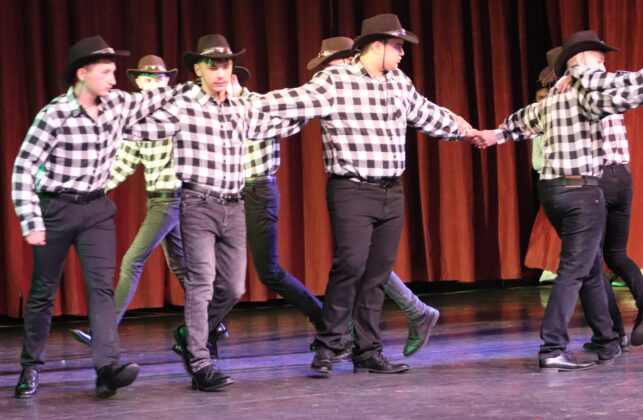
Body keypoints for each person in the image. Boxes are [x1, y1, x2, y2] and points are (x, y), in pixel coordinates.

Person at [254, 14, 474, 377]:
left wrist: (465, 131)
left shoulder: (399, 82)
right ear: (376, 46)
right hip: (351, 189)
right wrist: (240, 103)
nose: (402, 53)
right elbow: (290, 101)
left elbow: (426, 113)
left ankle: (368, 351)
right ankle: (329, 346)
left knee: (377, 274)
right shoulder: (335, 80)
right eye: (398, 46)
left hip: (391, 191)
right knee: (350, 265)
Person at [127, 34, 304, 391]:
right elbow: (146, 128)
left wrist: (307, 111)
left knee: (234, 288)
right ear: (198, 70)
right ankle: (200, 362)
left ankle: (190, 337)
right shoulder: (184, 105)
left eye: (225, 65)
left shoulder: (239, 107)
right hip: (197, 203)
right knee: (202, 283)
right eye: (212, 65)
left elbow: (274, 124)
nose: (220, 72)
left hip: (234, 205)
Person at [11, 36, 186, 399]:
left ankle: (107, 368)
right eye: (106, 72)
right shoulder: (53, 115)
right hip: (56, 208)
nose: (113, 80)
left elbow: (152, 99)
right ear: (82, 74)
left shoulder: (117, 104)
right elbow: (23, 168)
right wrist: (31, 222)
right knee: (43, 291)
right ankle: (31, 367)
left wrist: (189, 88)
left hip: (96, 210)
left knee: (102, 288)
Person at [473, 30, 643, 371]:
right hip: (581, 191)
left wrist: (493, 135)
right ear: (579, 63)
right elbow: (630, 89)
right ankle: (552, 346)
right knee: (575, 270)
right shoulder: (588, 96)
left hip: (552, 190)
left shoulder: (552, 99)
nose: (603, 64)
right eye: (597, 58)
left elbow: (520, 121)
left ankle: (608, 341)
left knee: (591, 267)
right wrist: (585, 77)